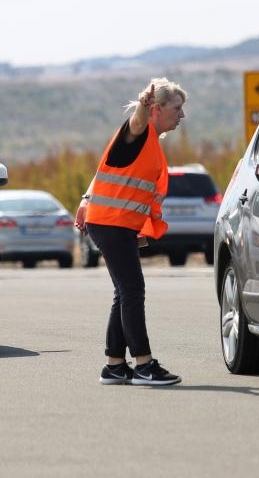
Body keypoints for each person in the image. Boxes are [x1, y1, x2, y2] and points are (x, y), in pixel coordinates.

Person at [74, 77, 186, 386]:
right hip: (111, 223)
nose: (182, 115)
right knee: (132, 290)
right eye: (177, 108)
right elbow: (137, 121)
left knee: (123, 292)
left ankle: (114, 365)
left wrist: (86, 198)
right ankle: (144, 365)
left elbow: (109, 171)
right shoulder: (139, 130)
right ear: (156, 109)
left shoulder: (147, 139)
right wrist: (142, 104)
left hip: (116, 223)